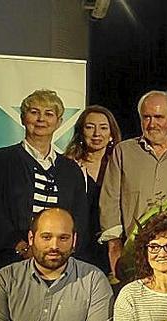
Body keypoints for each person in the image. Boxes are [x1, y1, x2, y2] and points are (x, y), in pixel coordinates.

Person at [99, 90, 167, 280]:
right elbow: (110, 200)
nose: (152, 124)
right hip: (134, 256)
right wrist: (114, 248)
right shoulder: (124, 152)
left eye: (158, 117)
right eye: (146, 117)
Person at [0, 90, 90, 271]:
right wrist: (21, 247)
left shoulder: (71, 170)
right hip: (9, 261)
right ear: (23, 118)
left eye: (49, 114)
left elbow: (79, 219)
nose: (41, 119)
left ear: (59, 122)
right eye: (34, 112)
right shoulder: (1, 161)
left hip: (60, 265)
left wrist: (63, 251)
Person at [64, 105, 123, 273]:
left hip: (111, 245)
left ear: (111, 133)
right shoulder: (67, 166)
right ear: (81, 132)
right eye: (90, 127)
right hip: (77, 245)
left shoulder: (121, 165)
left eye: (103, 128)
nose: (97, 134)